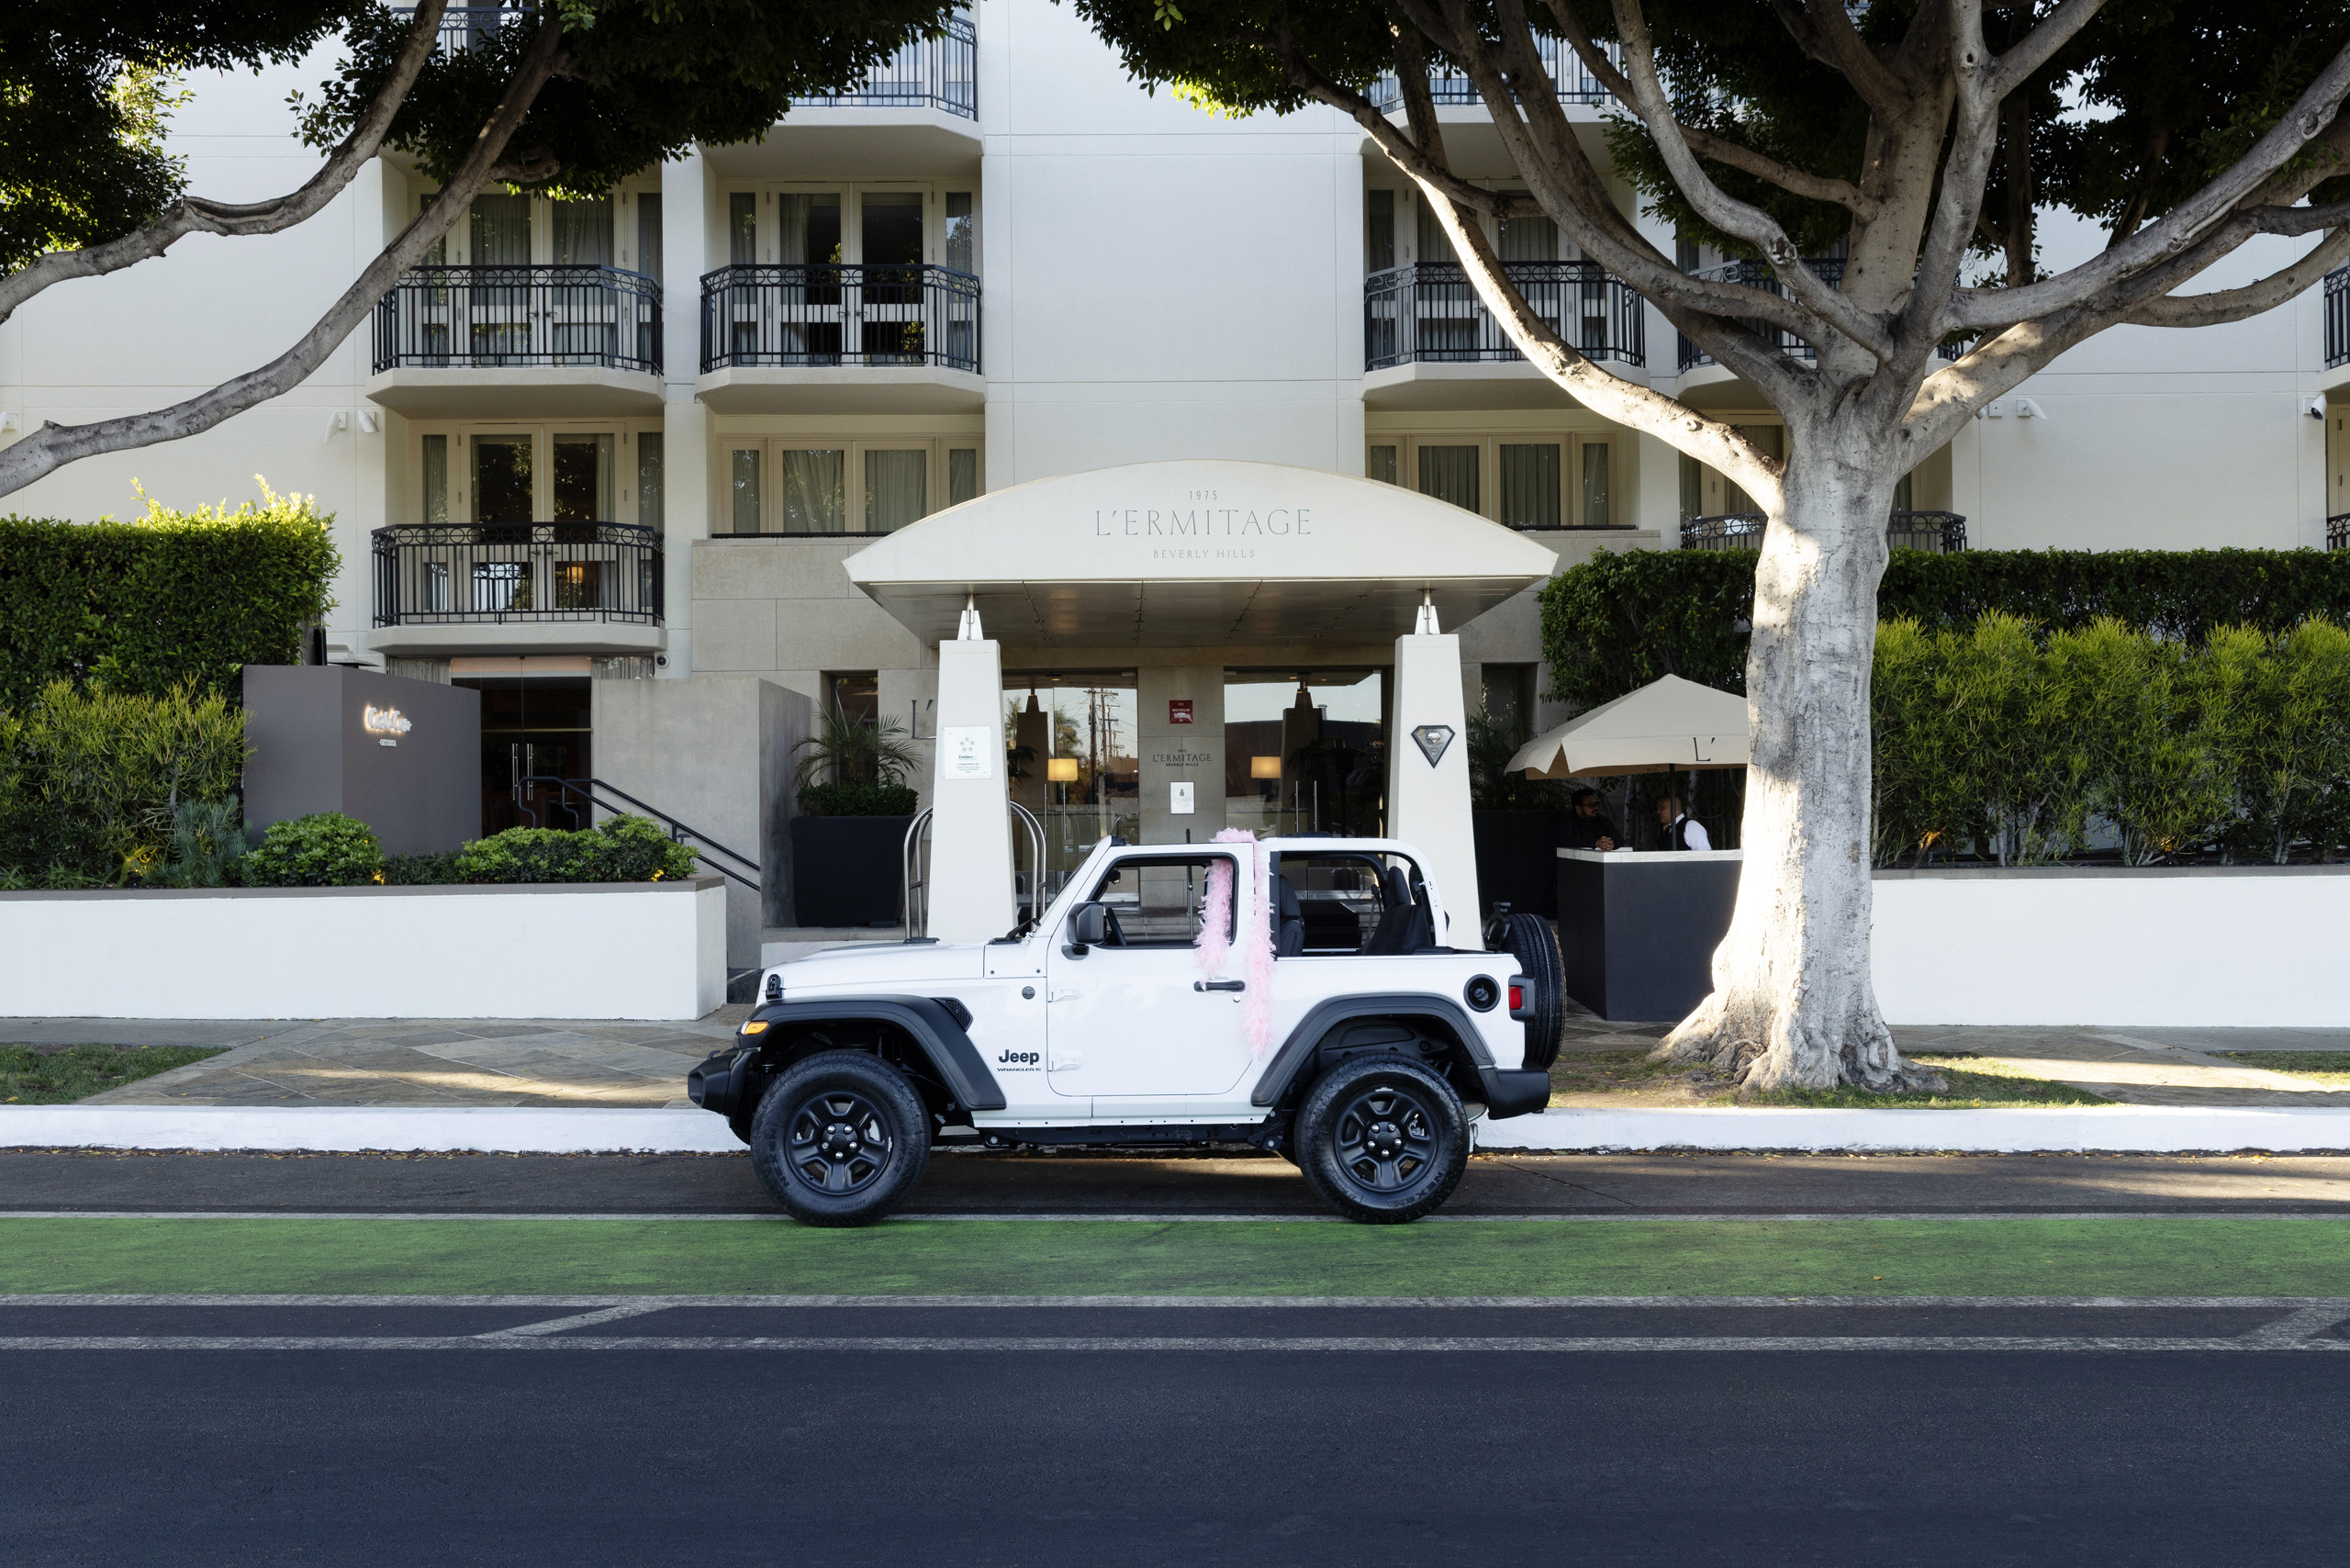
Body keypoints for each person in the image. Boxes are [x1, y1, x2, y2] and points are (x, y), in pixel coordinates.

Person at [1562, 788, 1618, 852]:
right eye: (1591, 805)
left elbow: (1619, 839)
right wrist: (1596, 843)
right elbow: (1568, 840)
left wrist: (1611, 843)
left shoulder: (1602, 820)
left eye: (1596, 804)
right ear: (1578, 808)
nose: (1596, 808)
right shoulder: (1567, 821)